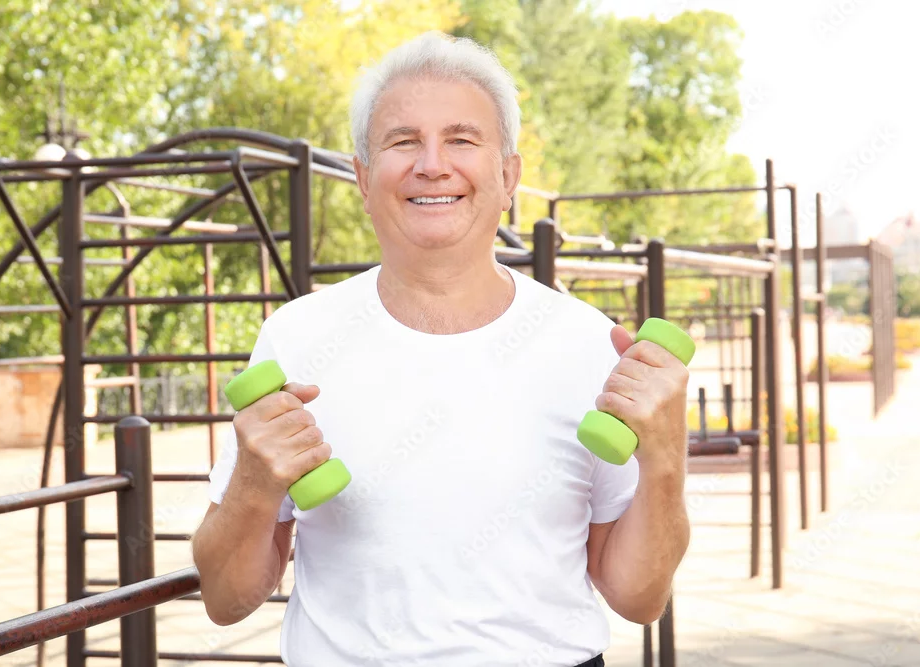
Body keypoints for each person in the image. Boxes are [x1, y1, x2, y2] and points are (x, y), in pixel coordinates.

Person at [191, 31, 690, 667]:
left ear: (508, 176)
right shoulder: (296, 337)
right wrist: (254, 487)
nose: (432, 164)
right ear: (363, 178)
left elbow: (639, 598)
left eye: (461, 139)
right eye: (403, 141)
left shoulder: (589, 343)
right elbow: (225, 600)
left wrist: (665, 457)